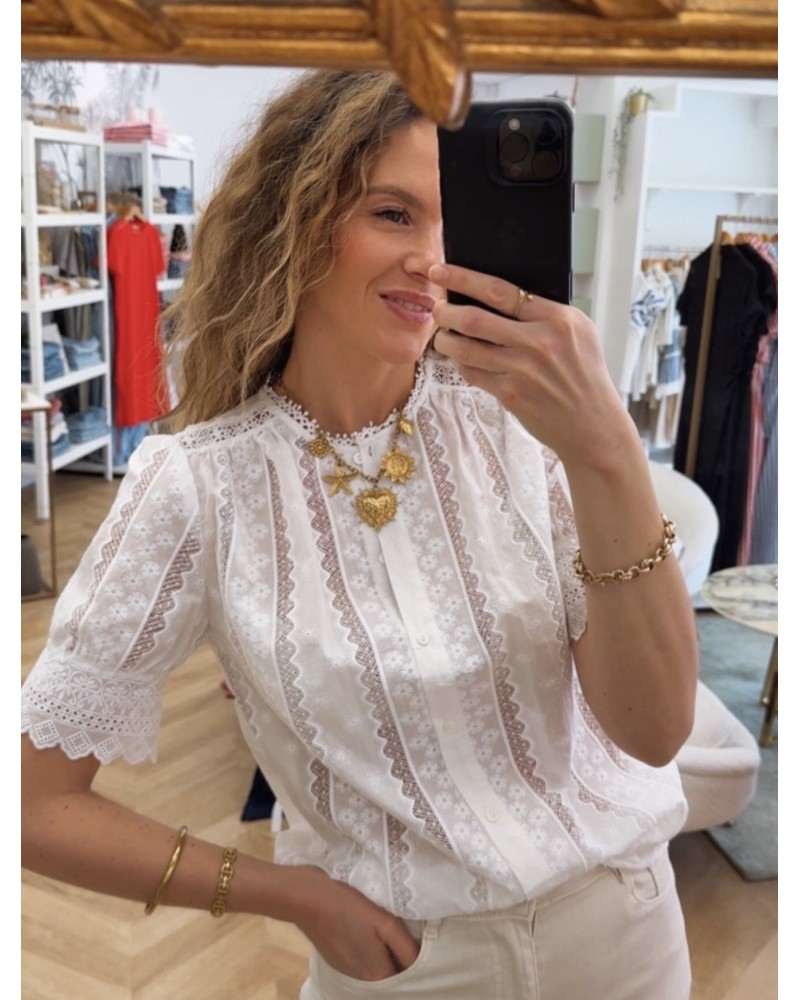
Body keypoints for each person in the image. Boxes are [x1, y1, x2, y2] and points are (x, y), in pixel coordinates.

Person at [21, 69, 698, 999]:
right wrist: (287, 893)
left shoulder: (521, 426)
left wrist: (608, 451)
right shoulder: (197, 485)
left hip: (625, 937)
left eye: (452, 224)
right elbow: (34, 804)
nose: (433, 259)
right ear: (293, 223)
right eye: (393, 214)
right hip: (404, 965)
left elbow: (654, 732)